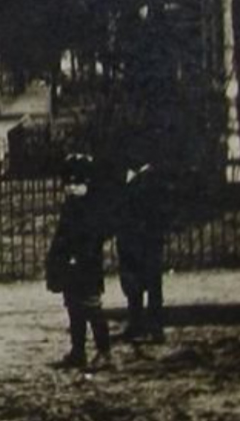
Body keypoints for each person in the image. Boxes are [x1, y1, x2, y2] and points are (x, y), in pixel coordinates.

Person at [45, 153, 111, 368]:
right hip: (70, 265)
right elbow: (62, 235)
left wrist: (81, 255)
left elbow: (95, 237)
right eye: (68, 183)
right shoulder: (70, 206)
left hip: (87, 265)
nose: (72, 188)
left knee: (92, 306)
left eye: (77, 183)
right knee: (73, 306)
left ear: (88, 183)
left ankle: (104, 351)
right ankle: (78, 350)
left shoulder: (93, 208)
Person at [116, 161, 166, 342]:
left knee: (153, 282)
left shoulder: (153, 178)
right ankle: (135, 323)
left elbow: (160, 210)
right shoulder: (122, 177)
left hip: (149, 238)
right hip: (127, 237)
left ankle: (156, 326)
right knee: (131, 282)